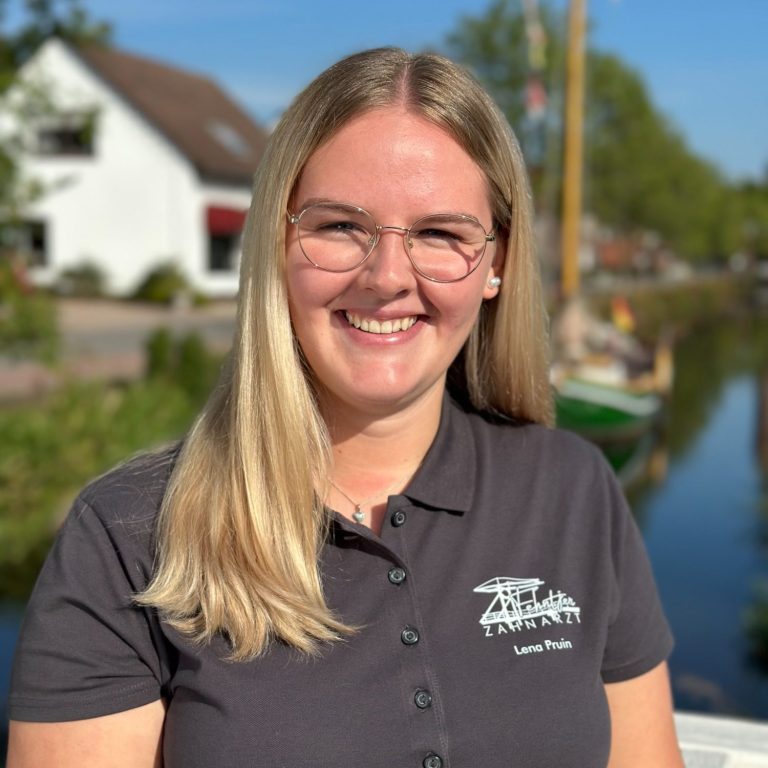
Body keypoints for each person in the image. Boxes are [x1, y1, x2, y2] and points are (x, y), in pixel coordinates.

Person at [7, 48, 683, 767]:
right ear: (275, 240)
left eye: (440, 234)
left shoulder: (574, 490)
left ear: (498, 263)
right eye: (339, 227)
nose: (388, 277)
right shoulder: (127, 535)